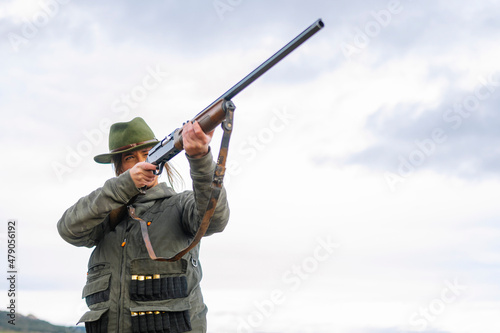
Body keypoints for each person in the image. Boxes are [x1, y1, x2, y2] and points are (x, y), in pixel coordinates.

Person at [57, 117, 230, 333]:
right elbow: (67, 228)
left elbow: (215, 219)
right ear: (120, 168)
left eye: (148, 153)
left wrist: (200, 158)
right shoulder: (105, 217)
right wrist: (124, 187)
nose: (142, 161)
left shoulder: (181, 205)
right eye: (130, 157)